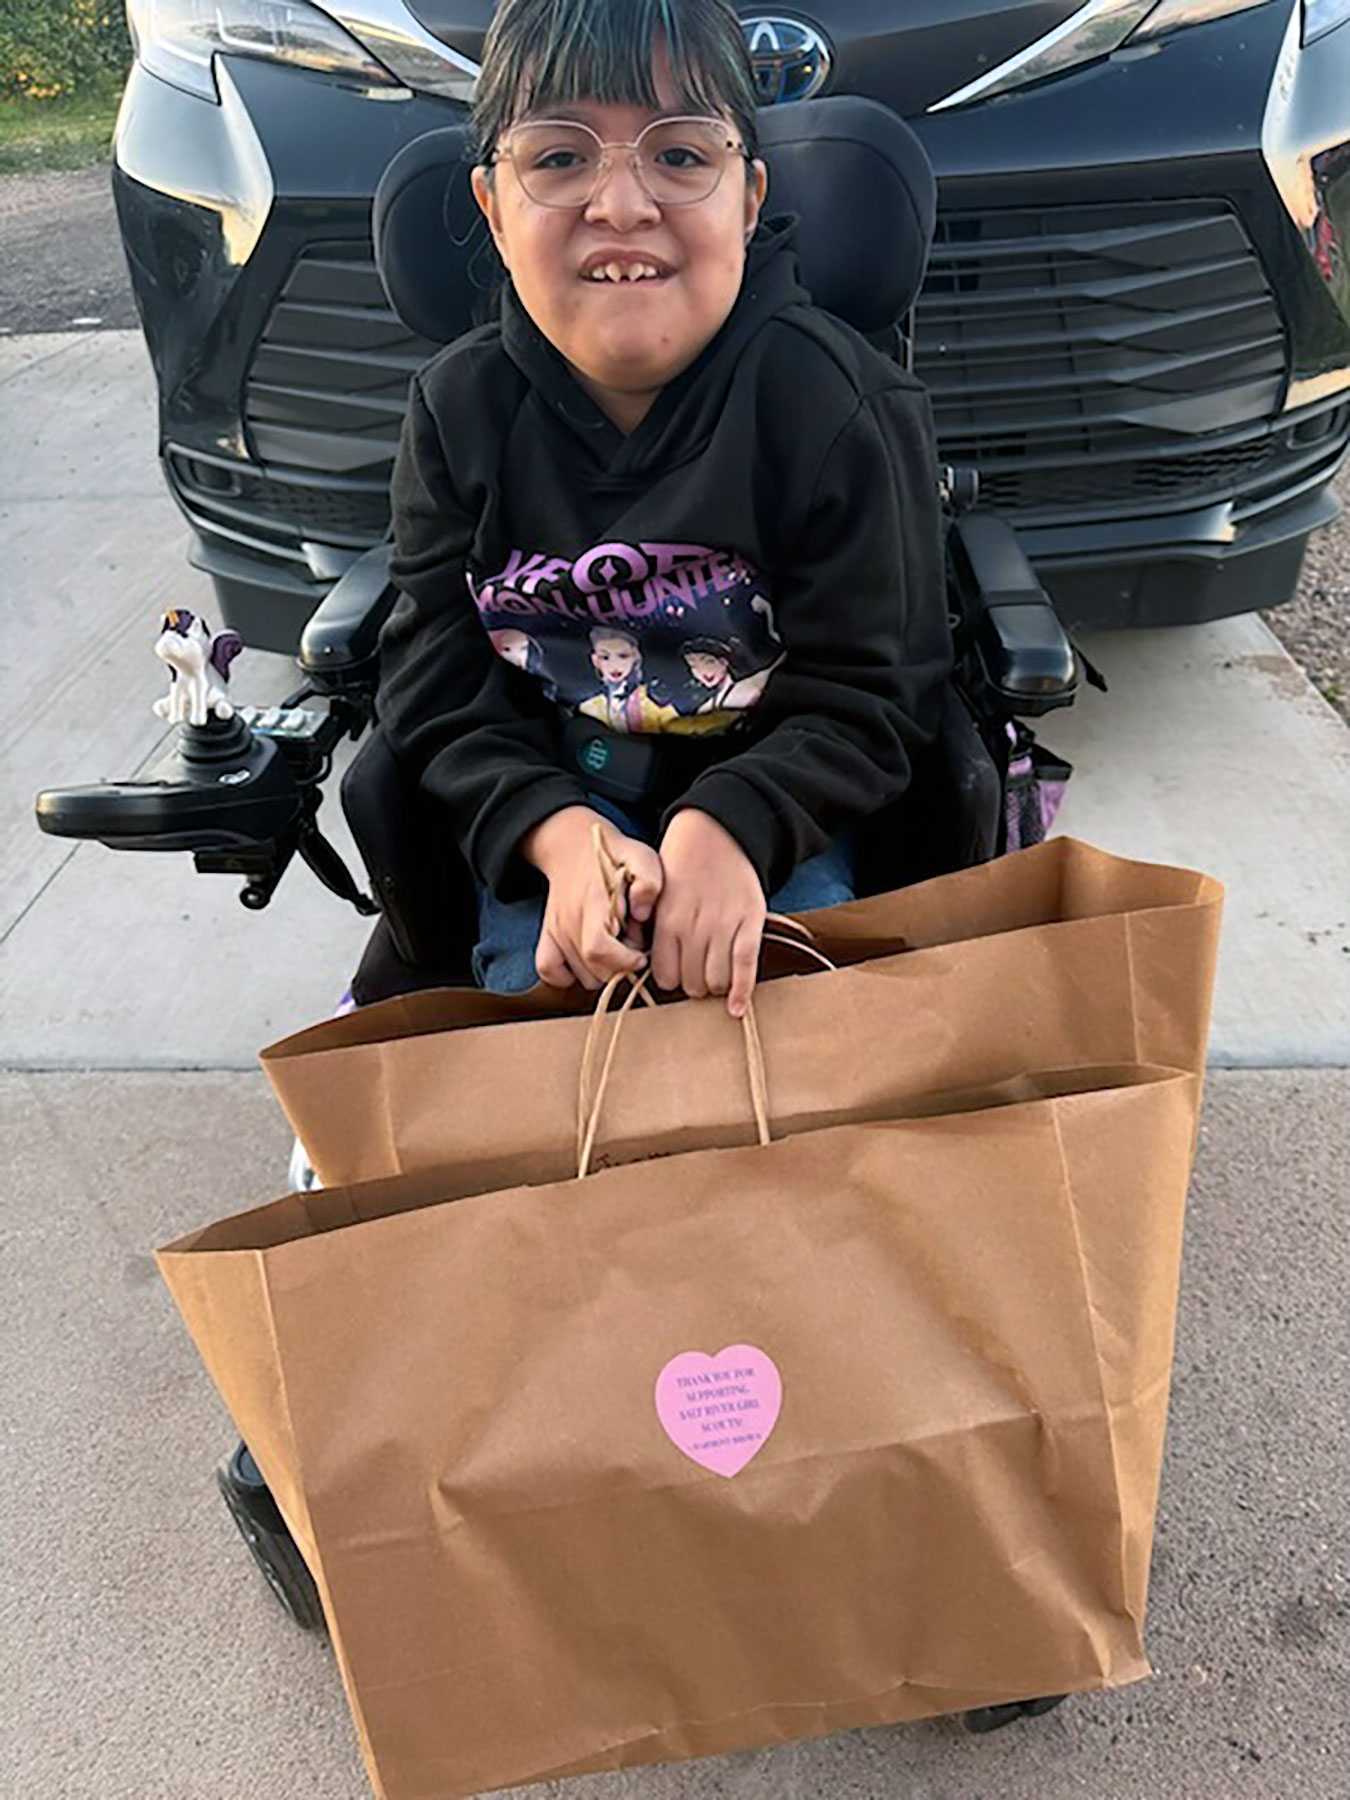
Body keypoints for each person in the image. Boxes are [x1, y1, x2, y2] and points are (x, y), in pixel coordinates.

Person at [377, 0, 952, 1016]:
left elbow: (876, 687)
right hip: (555, 805)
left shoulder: (836, 406)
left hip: (780, 805)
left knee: (788, 1036)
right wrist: (554, 833)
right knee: (544, 1043)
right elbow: (434, 682)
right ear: (493, 207)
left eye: (681, 154)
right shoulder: (458, 411)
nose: (622, 203)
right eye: (558, 159)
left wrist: (731, 825)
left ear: (747, 196)